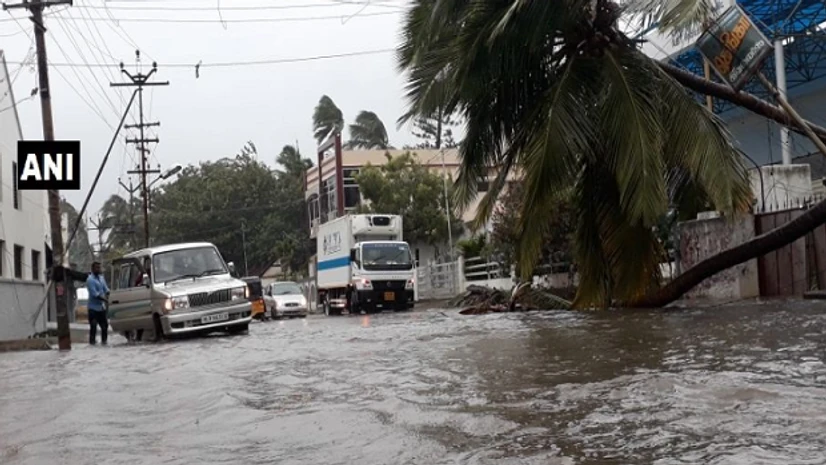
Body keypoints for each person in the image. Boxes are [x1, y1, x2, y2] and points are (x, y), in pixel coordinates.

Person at [86, 261, 110, 345]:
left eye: (99, 267)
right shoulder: (90, 280)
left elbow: (106, 290)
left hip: (101, 308)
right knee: (93, 327)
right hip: (93, 308)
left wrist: (111, 296)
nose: (99, 269)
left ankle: (104, 343)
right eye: (97, 267)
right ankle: (92, 344)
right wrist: (106, 300)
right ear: (92, 269)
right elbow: (95, 294)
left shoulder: (101, 278)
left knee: (105, 326)